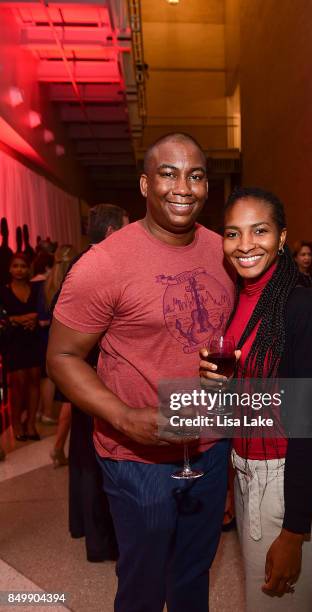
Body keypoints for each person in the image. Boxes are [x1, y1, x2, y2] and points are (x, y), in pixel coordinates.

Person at [47, 133, 235, 612]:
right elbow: (62, 358)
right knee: (143, 585)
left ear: (207, 188)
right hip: (136, 459)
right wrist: (125, 416)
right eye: (168, 174)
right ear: (145, 184)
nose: (183, 187)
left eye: (195, 175)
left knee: (194, 575)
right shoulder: (103, 264)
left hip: (209, 447)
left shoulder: (225, 252)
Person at [200, 187, 312, 611]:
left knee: (278, 604)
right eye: (233, 233)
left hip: (285, 478)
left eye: (259, 231)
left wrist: (295, 530)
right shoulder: (244, 300)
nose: (245, 245)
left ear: (281, 237)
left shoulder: (303, 309)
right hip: (247, 471)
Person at [60, 203, 128, 562]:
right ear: (112, 233)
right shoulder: (95, 268)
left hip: (83, 377)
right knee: (96, 457)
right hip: (93, 377)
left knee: (85, 456)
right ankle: (102, 542)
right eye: (127, 230)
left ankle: (84, 526)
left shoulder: (82, 263)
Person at [37, 245, 77, 465]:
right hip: (72, 350)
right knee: (70, 402)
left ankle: (59, 448)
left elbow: (41, 319)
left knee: (66, 400)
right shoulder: (71, 283)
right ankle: (58, 447)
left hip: (51, 346)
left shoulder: (48, 283)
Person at [0, 253, 41, 441]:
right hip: (13, 343)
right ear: (10, 269)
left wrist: (36, 319)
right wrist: (17, 319)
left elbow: (44, 312)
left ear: (28, 269)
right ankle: (16, 424)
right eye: (15, 266)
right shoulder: (3, 291)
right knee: (17, 384)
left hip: (33, 340)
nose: (19, 270)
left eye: (23, 266)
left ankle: (31, 423)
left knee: (34, 382)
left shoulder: (37, 289)